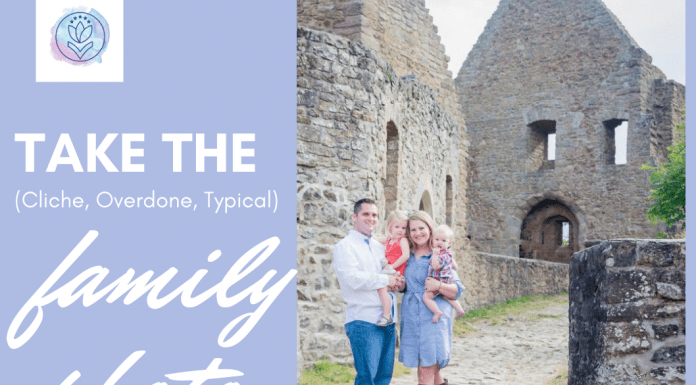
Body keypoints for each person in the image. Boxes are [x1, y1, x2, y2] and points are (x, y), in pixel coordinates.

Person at [332, 198, 405, 385]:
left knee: (383, 378)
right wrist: (385, 280)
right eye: (366, 214)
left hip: (388, 321)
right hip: (364, 320)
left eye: (374, 215)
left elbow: (388, 272)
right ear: (354, 216)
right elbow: (352, 279)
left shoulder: (378, 246)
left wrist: (398, 282)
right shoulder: (345, 246)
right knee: (367, 379)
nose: (371, 218)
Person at [399, 211, 465, 385]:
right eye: (413, 229)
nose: (418, 233)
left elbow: (456, 289)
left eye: (422, 228)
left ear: (430, 229)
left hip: (433, 316)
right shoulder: (407, 256)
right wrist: (399, 285)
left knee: (426, 370)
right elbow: (407, 283)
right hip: (412, 315)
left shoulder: (441, 255)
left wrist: (439, 286)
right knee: (432, 372)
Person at [374, 210, 410, 326]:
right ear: (390, 227)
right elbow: (376, 239)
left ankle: (387, 315)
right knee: (379, 288)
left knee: (381, 287)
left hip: (397, 274)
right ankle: (387, 314)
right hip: (388, 273)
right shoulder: (389, 240)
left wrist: (392, 266)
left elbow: (406, 255)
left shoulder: (402, 240)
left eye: (403, 228)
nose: (400, 230)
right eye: (397, 227)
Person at [423, 225, 466, 322]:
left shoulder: (440, 254)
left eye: (443, 241)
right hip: (447, 279)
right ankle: (459, 309)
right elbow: (453, 264)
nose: (439, 242)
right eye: (437, 239)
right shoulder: (448, 253)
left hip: (438, 279)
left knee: (427, 297)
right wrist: (455, 267)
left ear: (449, 243)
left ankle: (437, 311)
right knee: (447, 296)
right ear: (433, 240)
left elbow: (435, 266)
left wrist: (434, 255)